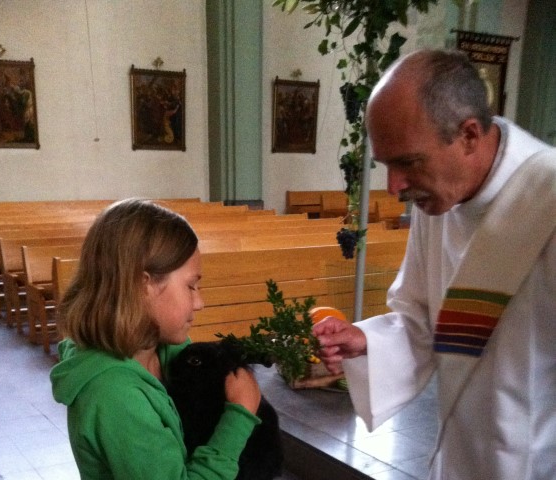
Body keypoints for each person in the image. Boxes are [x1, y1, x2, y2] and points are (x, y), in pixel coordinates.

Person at [313, 49, 556, 480]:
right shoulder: (439, 202)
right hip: (458, 457)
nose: (394, 188)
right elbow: (421, 318)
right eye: (386, 165)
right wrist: (365, 341)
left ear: (468, 135)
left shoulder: (547, 200)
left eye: (408, 162)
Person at [50, 198, 262, 480]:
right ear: (143, 284)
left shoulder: (156, 350)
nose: (199, 302)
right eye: (191, 286)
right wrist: (240, 415)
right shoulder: (115, 397)